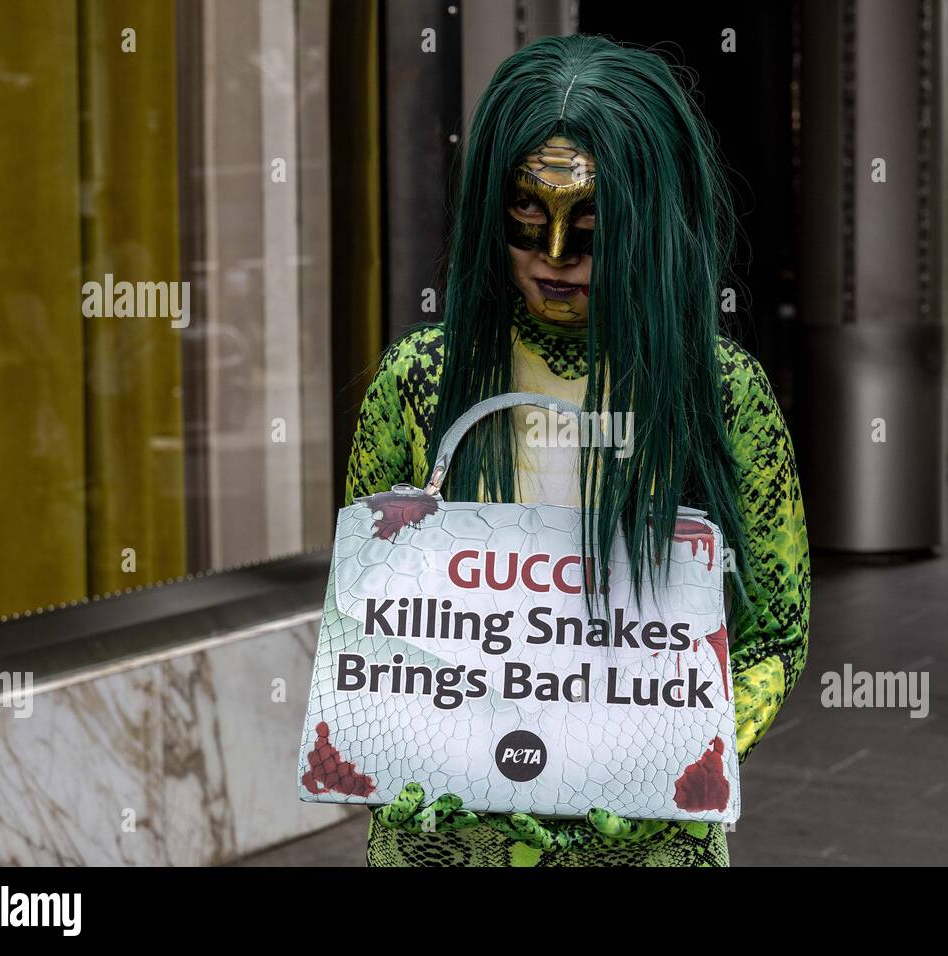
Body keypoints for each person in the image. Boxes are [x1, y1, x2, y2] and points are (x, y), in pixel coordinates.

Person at [345, 33, 810, 867]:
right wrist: (395, 737)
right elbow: (364, 615)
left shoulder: (722, 394)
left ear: (653, 226)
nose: (554, 259)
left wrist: (668, 759)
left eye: (590, 231)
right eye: (526, 222)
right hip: (448, 838)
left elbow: (777, 635)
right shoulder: (419, 380)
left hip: (644, 845)